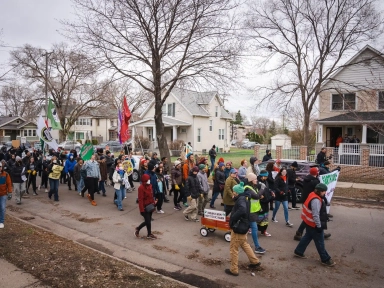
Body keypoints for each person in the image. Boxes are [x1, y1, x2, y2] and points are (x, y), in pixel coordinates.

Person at [294, 183, 336, 267]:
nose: (325, 193)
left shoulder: (312, 194)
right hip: (314, 224)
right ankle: (325, 259)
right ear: (320, 191)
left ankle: (299, 251)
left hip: (308, 222)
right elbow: (315, 214)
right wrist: (319, 226)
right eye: (324, 191)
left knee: (307, 237)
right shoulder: (316, 200)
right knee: (320, 242)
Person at [225, 182, 261, 276]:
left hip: (238, 227)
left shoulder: (241, 200)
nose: (233, 193)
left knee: (233, 249)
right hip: (244, 225)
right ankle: (255, 261)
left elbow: (242, 210)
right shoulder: (245, 198)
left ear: (237, 192)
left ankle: (234, 269)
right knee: (244, 244)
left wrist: (233, 218)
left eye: (234, 191)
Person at [294, 167, 331, 241]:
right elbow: (320, 192)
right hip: (313, 200)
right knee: (316, 216)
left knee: (307, 217)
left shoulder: (306, 179)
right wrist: (325, 200)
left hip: (306, 199)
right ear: (316, 173)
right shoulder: (315, 181)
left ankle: (299, 232)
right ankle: (319, 233)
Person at [244, 173, 266, 254]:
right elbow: (256, 196)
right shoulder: (248, 188)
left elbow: (256, 196)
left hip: (254, 211)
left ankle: (241, 243)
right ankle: (257, 247)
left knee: (246, 228)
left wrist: (260, 196)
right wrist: (262, 189)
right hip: (251, 212)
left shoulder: (253, 187)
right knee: (254, 228)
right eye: (255, 179)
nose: (257, 180)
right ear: (251, 180)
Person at [135, 174, 157, 240]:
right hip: (145, 207)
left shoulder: (150, 186)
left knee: (148, 220)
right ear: (145, 180)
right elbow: (140, 199)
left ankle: (149, 234)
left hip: (150, 206)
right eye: (148, 179)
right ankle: (139, 229)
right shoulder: (141, 188)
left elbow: (151, 196)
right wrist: (141, 209)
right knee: (147, 221)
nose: (149, 180)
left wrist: (153, 203)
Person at [257, 170, 274, 237]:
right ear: (262, 176)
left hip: (266, 201)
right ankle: (253, 229)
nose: (267, 177)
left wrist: (271, 192)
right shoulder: (258, 183)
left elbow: (267, 189)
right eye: (266, 176)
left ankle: (263, 231)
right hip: (261, 202)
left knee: (265, 218)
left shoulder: (266, 182)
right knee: (259, 218)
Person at [0, 162, 13, 228]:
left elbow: (9, 184)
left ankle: (1, 221)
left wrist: (10, 192)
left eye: (0, 167)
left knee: (2, 208)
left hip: (3, 194)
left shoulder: (6, 174)